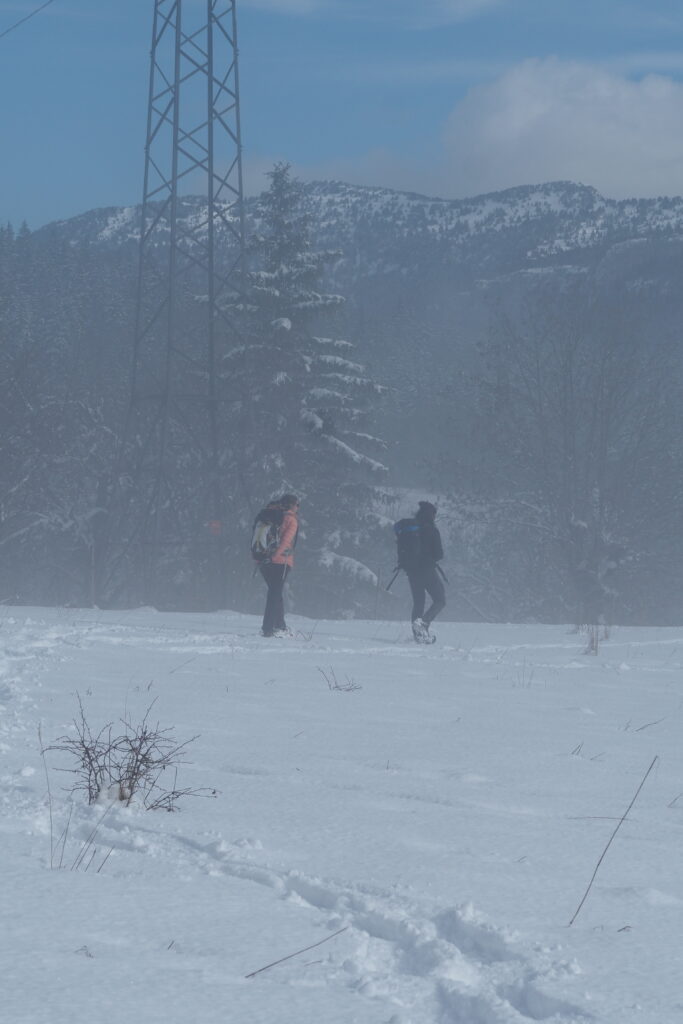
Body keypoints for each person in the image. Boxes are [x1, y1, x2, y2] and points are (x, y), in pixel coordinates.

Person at [260, 494, 299, 638]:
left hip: (263, 561)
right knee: (274, 594)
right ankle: (268, 628)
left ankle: (280, 625)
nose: (298, 508)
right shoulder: (291, 520)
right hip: (280, 561)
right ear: (292, 505)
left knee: (275, 592)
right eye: (297, 505)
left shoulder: (269, 515)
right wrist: (275, 557)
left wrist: (263, 558)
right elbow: (285, 542)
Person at [406, 501, 446, 643]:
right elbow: (439, 554)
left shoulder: (411, 529)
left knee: (418, 603)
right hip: (427, 571)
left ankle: (419, 636)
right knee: (440, 600)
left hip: (412, 572)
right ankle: (423, 623)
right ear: (431, 515)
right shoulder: (432, 530)